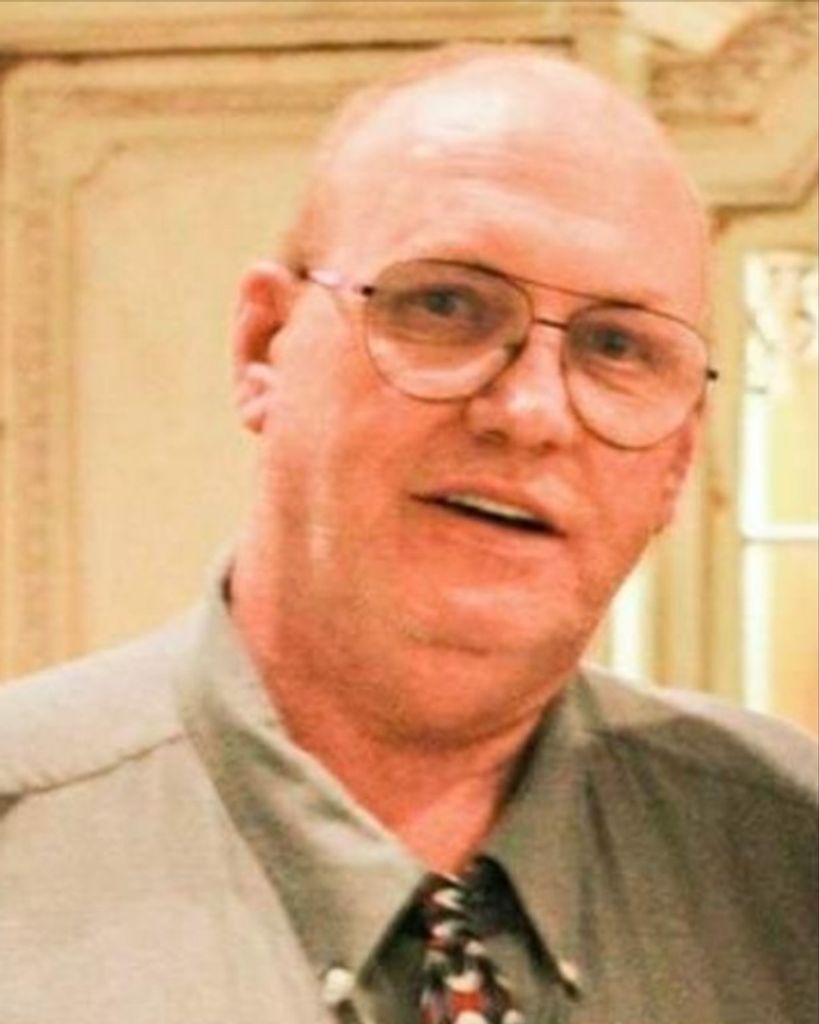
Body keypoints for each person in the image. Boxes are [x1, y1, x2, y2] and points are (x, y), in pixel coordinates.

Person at [0, 44, 816, 1024]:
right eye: (444, 304)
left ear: (679, 455)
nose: (529, 411)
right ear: (264, 346)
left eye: (617, 345)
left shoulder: (787, 865)